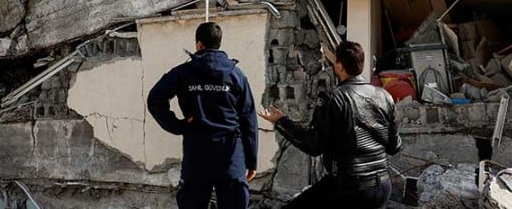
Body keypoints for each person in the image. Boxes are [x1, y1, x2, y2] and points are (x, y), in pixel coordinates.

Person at [258, 40, 401, 208]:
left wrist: (281, 122)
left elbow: (313, 145)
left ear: (339, 66)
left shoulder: (332, 99)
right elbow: (394, 146)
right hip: (382, 186)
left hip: (349, 189)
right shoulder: (384, 96)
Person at [147, 21, 258, 209]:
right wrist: (251, 160)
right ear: (219, 44)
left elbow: (155, 99)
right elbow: (248, 119)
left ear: (199, 45)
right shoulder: (237, 75)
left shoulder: (183, 73)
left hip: (197, 153)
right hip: (231, 154)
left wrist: (178, 126)